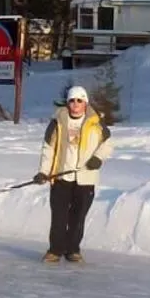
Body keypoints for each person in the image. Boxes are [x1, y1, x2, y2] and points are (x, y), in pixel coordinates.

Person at [34, 84, 113, 264]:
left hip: (85, 177)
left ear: (85, 103)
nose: (76, 104)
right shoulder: (57, 122)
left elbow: (107, 144)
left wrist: (98, 158)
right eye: (72, 101)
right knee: (59, 217)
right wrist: (43, 172)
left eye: (79, 101)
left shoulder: (95, 122)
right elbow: (48, 149)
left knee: (78, 217)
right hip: (61, 177)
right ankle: (55, 250)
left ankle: (73, 250)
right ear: (67, 103)